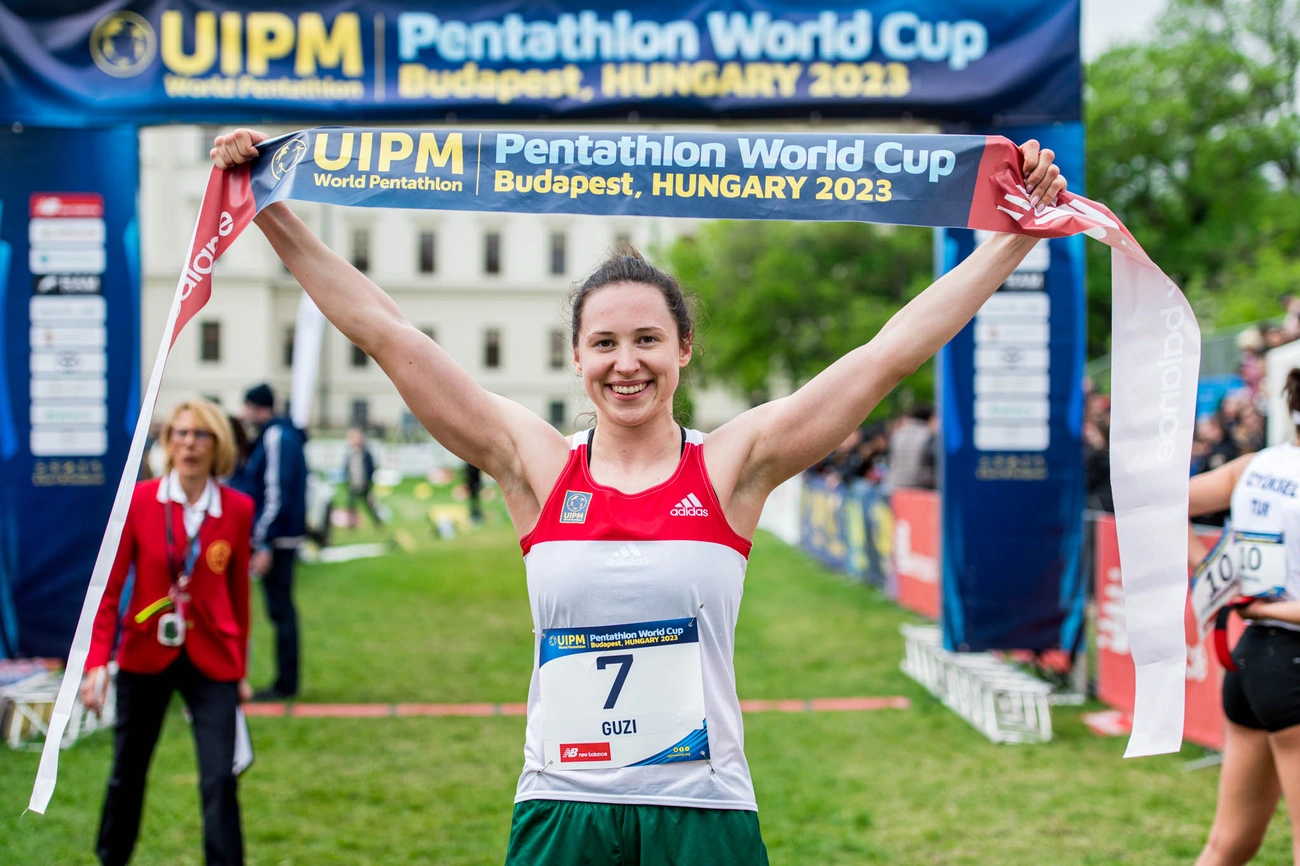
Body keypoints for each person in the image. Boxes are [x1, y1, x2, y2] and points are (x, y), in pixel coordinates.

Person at [213, 128, 1067, 864]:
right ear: (577, 357)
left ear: (684, 348)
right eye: (605, 343)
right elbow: (385, 332)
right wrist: (268, 205)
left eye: (649, 339)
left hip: (704, 811)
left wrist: (1013, 240)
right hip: (561, 807)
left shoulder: (732, 466)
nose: (627, 363)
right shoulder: (534, 465)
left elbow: (887, 356)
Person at [80, 399, 254, 866]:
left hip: (213, 658)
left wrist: (240, 667)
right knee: (128, 772)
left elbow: (239, 594)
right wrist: (97, 662)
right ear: (167, 442)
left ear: (217, 444)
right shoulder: (140, 501)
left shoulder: (238, 508)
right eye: (180, 433)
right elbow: (109, 589)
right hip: (145, 654)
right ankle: (111, 857)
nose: (189, 444)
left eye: (201, 435)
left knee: (220, 777)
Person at [1189, 368, 1300, 866]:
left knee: (1228, 844)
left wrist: (1212, 573)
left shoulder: (1257, 465)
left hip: (1252, 660)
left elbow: (1159, 505)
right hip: (1287, 658)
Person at [234, 382, 308, 701]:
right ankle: (285, 681)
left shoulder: (276, 437)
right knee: (280, 610)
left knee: (281, 611)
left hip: (278, 540)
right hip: (279, 537)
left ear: (256, 407)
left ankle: (285, 684)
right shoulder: (276, 435)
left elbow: (277, 492)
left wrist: (263, 540)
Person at [888, 404, 936, 489]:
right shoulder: (928, 435)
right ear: (929, 418)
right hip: (919, 484)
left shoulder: (897, 433)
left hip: (896, 484)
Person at [343, 426, 382, 529]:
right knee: (351, 505)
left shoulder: (366, 453)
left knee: (369, 505)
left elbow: (371, 467)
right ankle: (351, 524)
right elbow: (347, 468)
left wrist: (368, 481)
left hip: (364, 483)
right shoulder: (350, 453)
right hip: (353, 483)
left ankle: (377, 521)